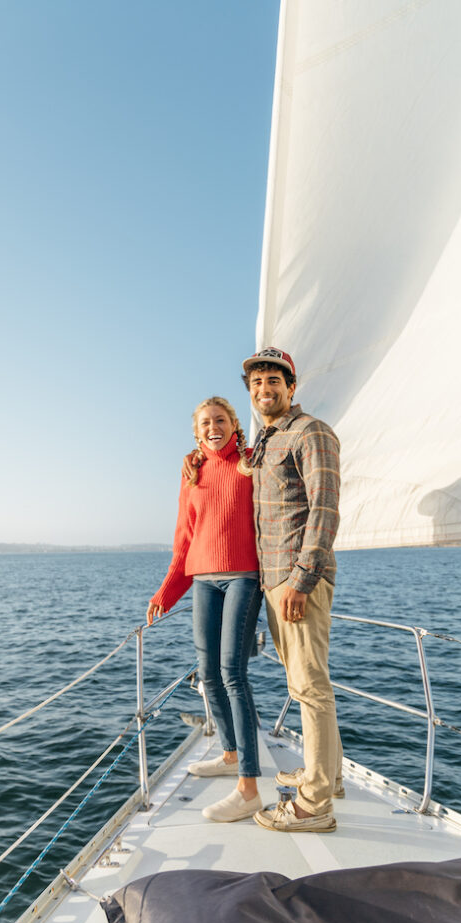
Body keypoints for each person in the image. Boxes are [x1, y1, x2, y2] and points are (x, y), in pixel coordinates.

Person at [147, 396, 263, 823]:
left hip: (243, 577)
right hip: (202, 579)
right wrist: (165, 592)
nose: (213, 427)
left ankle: (249, 788)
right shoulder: (192, 472)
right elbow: (184, 538)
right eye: (205, 423)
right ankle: (230, 754)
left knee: (234, 672)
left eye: (220, 420)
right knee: (209, 673)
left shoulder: (252, 460)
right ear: (196, 432)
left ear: (234, 424)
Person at [241, 347, 343, 833]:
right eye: (257, 382)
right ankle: (327, 777)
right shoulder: (267, 440)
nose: (265, 389)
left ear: (292, 386)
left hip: (295, 580)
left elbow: (324, 511)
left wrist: (300, 582)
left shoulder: (310, 433)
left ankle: (314, 805)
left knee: (310, 687)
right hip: (275, 581)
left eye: (273, 381)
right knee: (303, 685)